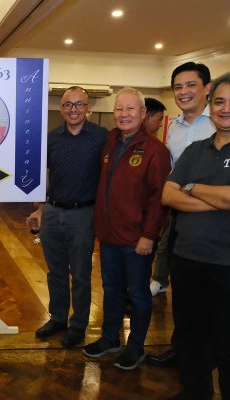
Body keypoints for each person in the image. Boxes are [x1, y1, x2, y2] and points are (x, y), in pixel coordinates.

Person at [162, 72, 230, 400]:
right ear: (211, 105)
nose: (226, 108)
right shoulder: (195, 149)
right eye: (220, 101)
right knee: (190, 340)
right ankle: (195, 393)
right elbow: (167, 195)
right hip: (185, 260)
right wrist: (221, 197)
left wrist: (191, 186)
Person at [82, 88, 170, 370]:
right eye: (119, 109)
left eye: (130, 109)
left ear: (143, 113)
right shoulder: (110, 142)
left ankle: (136, 346)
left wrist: (149, 235)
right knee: (111, 290)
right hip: (108, 235)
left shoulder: (156, 151)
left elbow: (158, 198)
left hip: (137, 240)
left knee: (139, 294)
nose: (124, 114)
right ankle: (110, 339)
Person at [146, 62, 215, 367]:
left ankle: (205, 353)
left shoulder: (221, 124)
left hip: (212, 220)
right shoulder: (173, 127)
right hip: (178, 216)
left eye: (191, 85)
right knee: (183, 288)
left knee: (207, 289)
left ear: (207, 88)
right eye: (178, 86)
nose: (183, 92)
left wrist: (187, 190)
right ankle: (182, 348)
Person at [27, 86, 107, 348]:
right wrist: (39, 208)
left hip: (83, 214)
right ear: (61, 109)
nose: (74, 110)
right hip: (52, 212)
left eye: (79, 104)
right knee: (56, 272)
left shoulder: (102, 137)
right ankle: (58, 318)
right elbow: (44, 176)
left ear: (88, 108)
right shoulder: (51, 138)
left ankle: (79, 324)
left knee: (81, 274)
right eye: (68, 105)